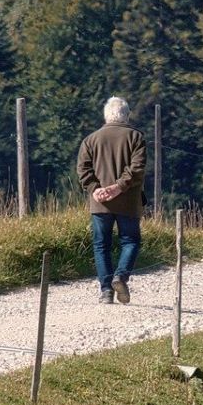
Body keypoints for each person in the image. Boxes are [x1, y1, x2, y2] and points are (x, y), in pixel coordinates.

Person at [76, 96, 147, 304]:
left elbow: (82, 169)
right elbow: (137, 169)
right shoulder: (136, 137)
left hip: (100, 204)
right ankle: (121, 276)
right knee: (131, 241)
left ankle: (106, 291)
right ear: (127, 115)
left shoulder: (90, 140)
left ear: (106, 115)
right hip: (128, 202)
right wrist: (119, 187)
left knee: (101, 245)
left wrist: (94, 189)